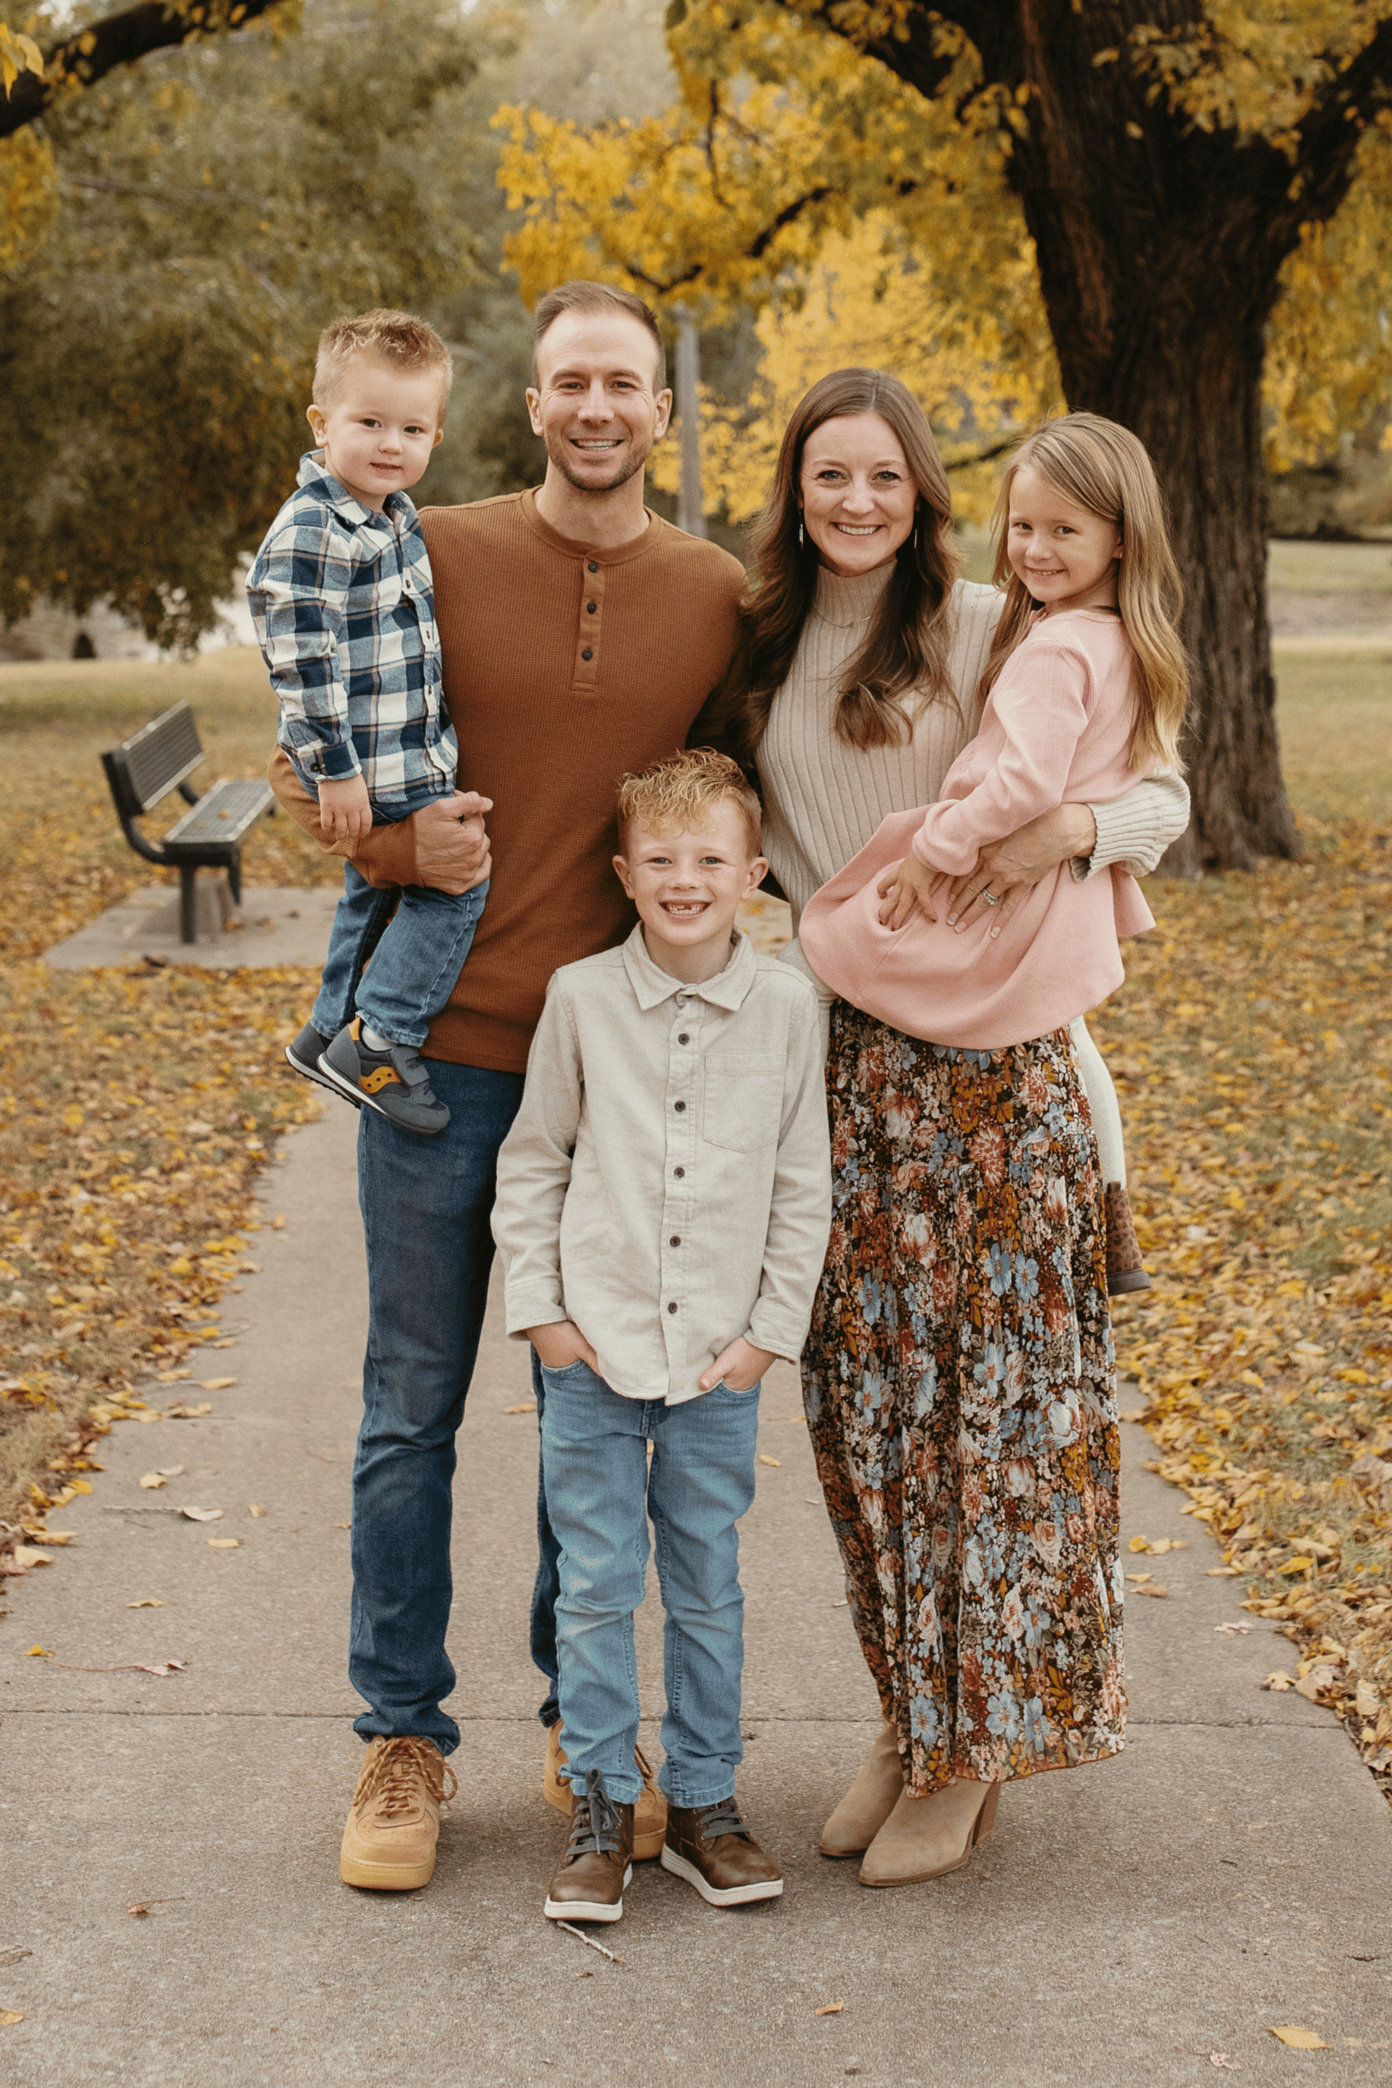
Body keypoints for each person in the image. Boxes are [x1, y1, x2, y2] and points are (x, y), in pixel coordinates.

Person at [265, 282, 748, 1891]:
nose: (598, 406)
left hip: (611, 1086)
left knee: (582, 1419)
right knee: (411, 1407)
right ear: (532, 408)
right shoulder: (431, 544)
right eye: (569, 383)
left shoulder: (715, 595)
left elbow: (754, 803)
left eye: (625, 382)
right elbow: (307, 751)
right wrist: (398, 845)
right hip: (437, 1066)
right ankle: (402, 1737)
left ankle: (580, 1719)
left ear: (659, 413)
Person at [732, 369, 1191, 1888]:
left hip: (993, 1083)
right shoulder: (752, 640)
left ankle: (975, 1745)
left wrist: (1076, 828)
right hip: (841, 1070)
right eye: (828, 477)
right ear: (794, 490)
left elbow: (1161, 791)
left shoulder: (1005, 617)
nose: (856, 503)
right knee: (868, 1426)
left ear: (926, 492)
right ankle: (908, 1712)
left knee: (990, 1424)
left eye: (884, 478)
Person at [492, 749, 831, 1923]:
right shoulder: (583, 998)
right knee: (592, 1586)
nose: (686, 880)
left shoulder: (790, 1007)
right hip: (593, 1346)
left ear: (752, 874)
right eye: (663, 860)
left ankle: (703, 1805)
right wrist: (541, 1315)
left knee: (706, 1582)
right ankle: (600, 1806)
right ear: (626, 873)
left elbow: (803, 1184)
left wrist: (765, 1337)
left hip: (718, 1361)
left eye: (710, 860)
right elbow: (535, 1157)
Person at [798, 411, 1186, 1068]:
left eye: (1065, 530)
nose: (1036, 549)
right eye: (1024, 526)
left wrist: (934, 847)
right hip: (1051, 908)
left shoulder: (1053, 650)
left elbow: (1035, 782)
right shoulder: (1117, 640)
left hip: (992, 879)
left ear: (1120, 540)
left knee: (824, 955)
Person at [248, 309, 487, 1136]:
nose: (392, 443)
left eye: (412, 427)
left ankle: (324, 1030)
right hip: (370, 767)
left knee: (370, 900)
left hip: (404, 756)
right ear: (322, 424)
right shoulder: (313, 529)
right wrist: (336, 771)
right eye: (370, 422)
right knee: (455, 884)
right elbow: (302, 666)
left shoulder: (395, 517)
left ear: (436, 435)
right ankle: (380, 1037)